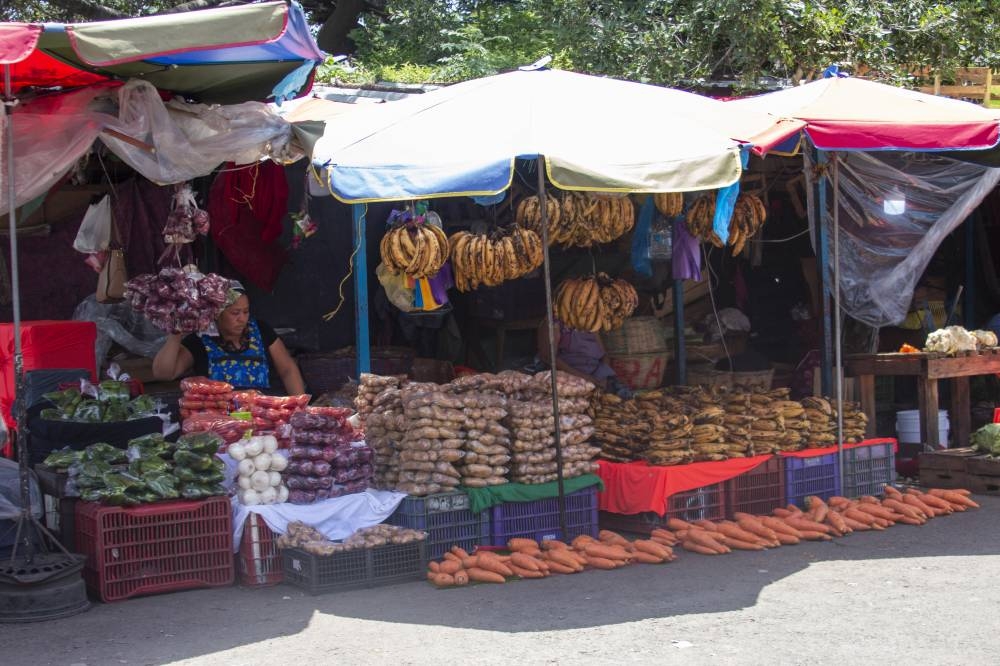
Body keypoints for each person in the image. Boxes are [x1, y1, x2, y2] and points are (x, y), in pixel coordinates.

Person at [153, 282, 306, 394]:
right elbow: (164, 374)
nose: (242, 319)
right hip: (220, 422)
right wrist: (176, 334)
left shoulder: (261, 330)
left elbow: (287, 370)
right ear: (217, 314)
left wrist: (300, 408)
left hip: (262, 415)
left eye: (246, 312)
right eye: (235, 313)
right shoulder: (200, 339)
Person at [536, 318, 631, 397]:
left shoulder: (590, 323)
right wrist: (586, 379)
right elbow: (549, 357)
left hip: (598, 376)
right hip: (570, 380)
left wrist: (602, 377)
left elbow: (604, 355)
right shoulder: (554, 323)